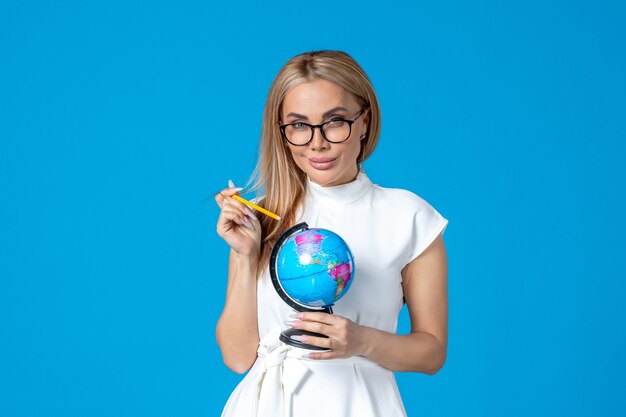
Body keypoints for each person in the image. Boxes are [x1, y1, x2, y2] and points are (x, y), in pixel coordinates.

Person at [214, 50, 449, 417]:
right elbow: (237, 356)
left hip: (360, 405)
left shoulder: (410, 217)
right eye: (298, 125)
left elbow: (432, 353)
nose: (316, 142)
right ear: (282, 131)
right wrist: (246, 255)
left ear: (364, 122)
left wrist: (360, 341)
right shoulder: (262, 217)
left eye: (335, 121)